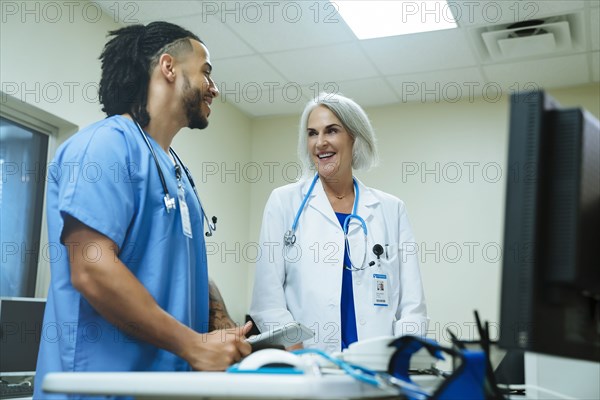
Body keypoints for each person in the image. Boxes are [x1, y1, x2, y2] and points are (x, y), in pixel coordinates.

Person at [34, 22, 252, 399]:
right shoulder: (104, 147)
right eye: (206, 72)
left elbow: (181, 265)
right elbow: (92, 269)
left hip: (164, 387)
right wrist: (192, 344)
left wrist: (220, 322)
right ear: (169, 67)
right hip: (97, 389)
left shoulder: (175, 168)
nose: (213, 88)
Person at [250, 93, 428, 354]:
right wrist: (293, 346)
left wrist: (404, 357)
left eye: (331, 131)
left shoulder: (391, 209)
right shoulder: (284, 202)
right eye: (312, 133)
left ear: (354, 138)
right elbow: (267, 299)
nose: (320, 143)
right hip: (310, 363)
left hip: (377, 364)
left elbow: (412, 306)